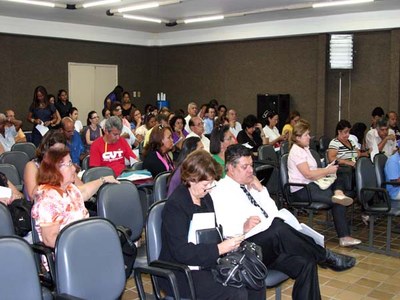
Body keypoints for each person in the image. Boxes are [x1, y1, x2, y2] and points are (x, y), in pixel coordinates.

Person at [211, 144, 357, 300]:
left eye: (251, 166)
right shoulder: (220, 191)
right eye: (245, 167)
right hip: (244, 250)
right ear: (230, 168)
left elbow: (273, 214)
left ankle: (320, 257)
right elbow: (222, 229)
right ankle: (325, 256)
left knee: (306, 262)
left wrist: (261, 190)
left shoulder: (251, 186)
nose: (251, 171)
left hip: (268, 246)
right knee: (277, 228)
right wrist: (242, 227)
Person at [160, 150, 261, 300]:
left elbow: (211, 235)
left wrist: (230, 242)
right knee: (236, 292)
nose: (209, 188)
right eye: (206, 184)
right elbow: (181, 252)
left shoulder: (205, 199)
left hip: (205, 263)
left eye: (211, 183)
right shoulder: (176, 205)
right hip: (180, 271)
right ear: (192, 179)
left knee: (254, 280)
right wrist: (219, 248)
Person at [288, 119, 361, 247]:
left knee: (339, 176)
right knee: (337, 201)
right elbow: (308, 174)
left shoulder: (305, 149)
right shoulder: (296, 152)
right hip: (302, 190)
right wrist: (327, 170)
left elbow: (314, 171)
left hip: (312, 184)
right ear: (298, 137)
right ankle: (344, 236)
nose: (309, 137)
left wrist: (329, 169)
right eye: (306, 135)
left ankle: (338, 192)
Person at [31, 146, 119, 248]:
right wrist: (84, 242)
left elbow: (84, 191)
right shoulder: (47, 201)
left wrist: (103, 180)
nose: (74, 168)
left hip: (85, 243)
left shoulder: (69, 189)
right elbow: (50, 239)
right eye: (69, 164)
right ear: (55, 169)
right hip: (69, 255)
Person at [24, 131, 68, 201]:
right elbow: (33, 196)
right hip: (42, 205)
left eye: (61, 151)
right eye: (55, 152)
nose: (58, 155)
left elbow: (80, 187)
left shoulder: (65, 164)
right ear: (45, 151)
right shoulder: (32, 166)